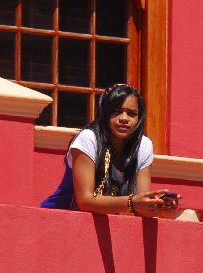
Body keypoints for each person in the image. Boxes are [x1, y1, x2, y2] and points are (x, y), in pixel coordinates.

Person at [40, 84, 180, 217]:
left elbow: (141, 207)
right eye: (116, 112)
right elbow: (85, 201)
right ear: (104, 114)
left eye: (131, 114)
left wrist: (161, 206)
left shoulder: (143, 145)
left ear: (139, 118)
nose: (124, 118)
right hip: (56, 220)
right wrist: (132, 203)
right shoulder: (89, 139)